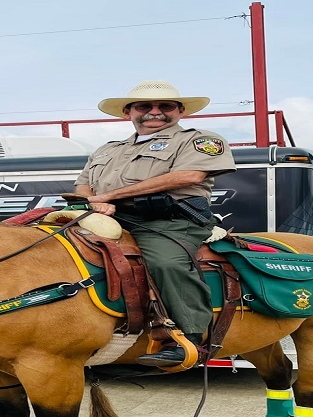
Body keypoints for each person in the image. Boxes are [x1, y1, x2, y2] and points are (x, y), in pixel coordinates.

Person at [74, 80, 236, 367]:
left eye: (165, 106)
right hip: (109, 217)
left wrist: (109, 196)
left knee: (165, 262)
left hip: (169, 221)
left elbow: (189, 176)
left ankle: (189, 337)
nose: (155, 111)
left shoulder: (199, 140)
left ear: (180, 111)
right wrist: (93, 202)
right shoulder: (106, 150)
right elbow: (83, 185)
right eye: (144, 106)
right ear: (128, 112)